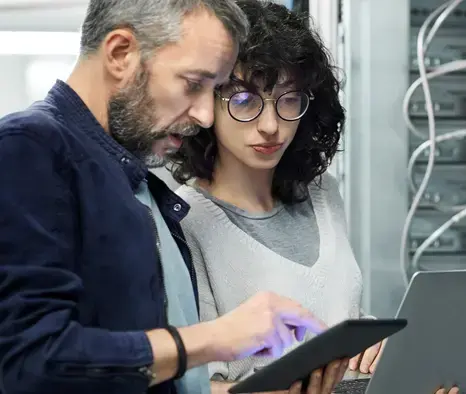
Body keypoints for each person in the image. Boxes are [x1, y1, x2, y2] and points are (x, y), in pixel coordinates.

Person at [0, 1, 344, 394]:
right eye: (193, 84)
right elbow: (30, 360)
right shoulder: (28, 147)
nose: (205, 117)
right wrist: (214, 339)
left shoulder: (137, 185)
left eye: (213, 90)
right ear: (120, 54)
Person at [168, 4, 456, 394]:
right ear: (207, 105)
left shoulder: (323, 195)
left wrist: (379, 350)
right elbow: (187, 385)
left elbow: (341, 317)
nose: (271, 126)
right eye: (244, 101)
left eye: (288, 100)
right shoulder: (186, 222)